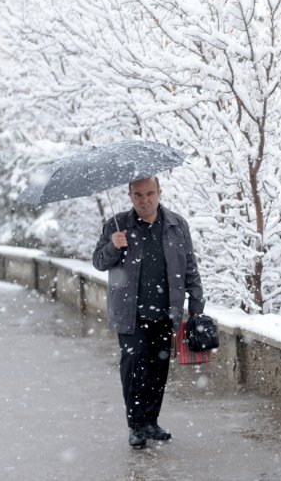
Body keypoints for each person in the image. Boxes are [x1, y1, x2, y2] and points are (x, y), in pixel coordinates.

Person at [92, 176, 204, 450]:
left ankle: (151, 422)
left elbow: (189, 266)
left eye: (150, 194)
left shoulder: (177, 226)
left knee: (157, 370)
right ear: (130, 196)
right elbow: (98, 262)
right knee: (132, 370)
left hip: (166, 313)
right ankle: (136, 426)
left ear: (159, 193)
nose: (145, 200)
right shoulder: (117, 225)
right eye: (138, 195)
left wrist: (197, 307)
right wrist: (113, 246)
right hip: (131, 314)